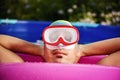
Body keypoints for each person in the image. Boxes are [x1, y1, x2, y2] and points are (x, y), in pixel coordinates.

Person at [0, 20, 120, 66]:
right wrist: (40, 49)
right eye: (52, 37)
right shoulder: (19, 68)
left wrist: (82, 50)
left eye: (68, 38)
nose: (60, 44)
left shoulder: (100, 71)